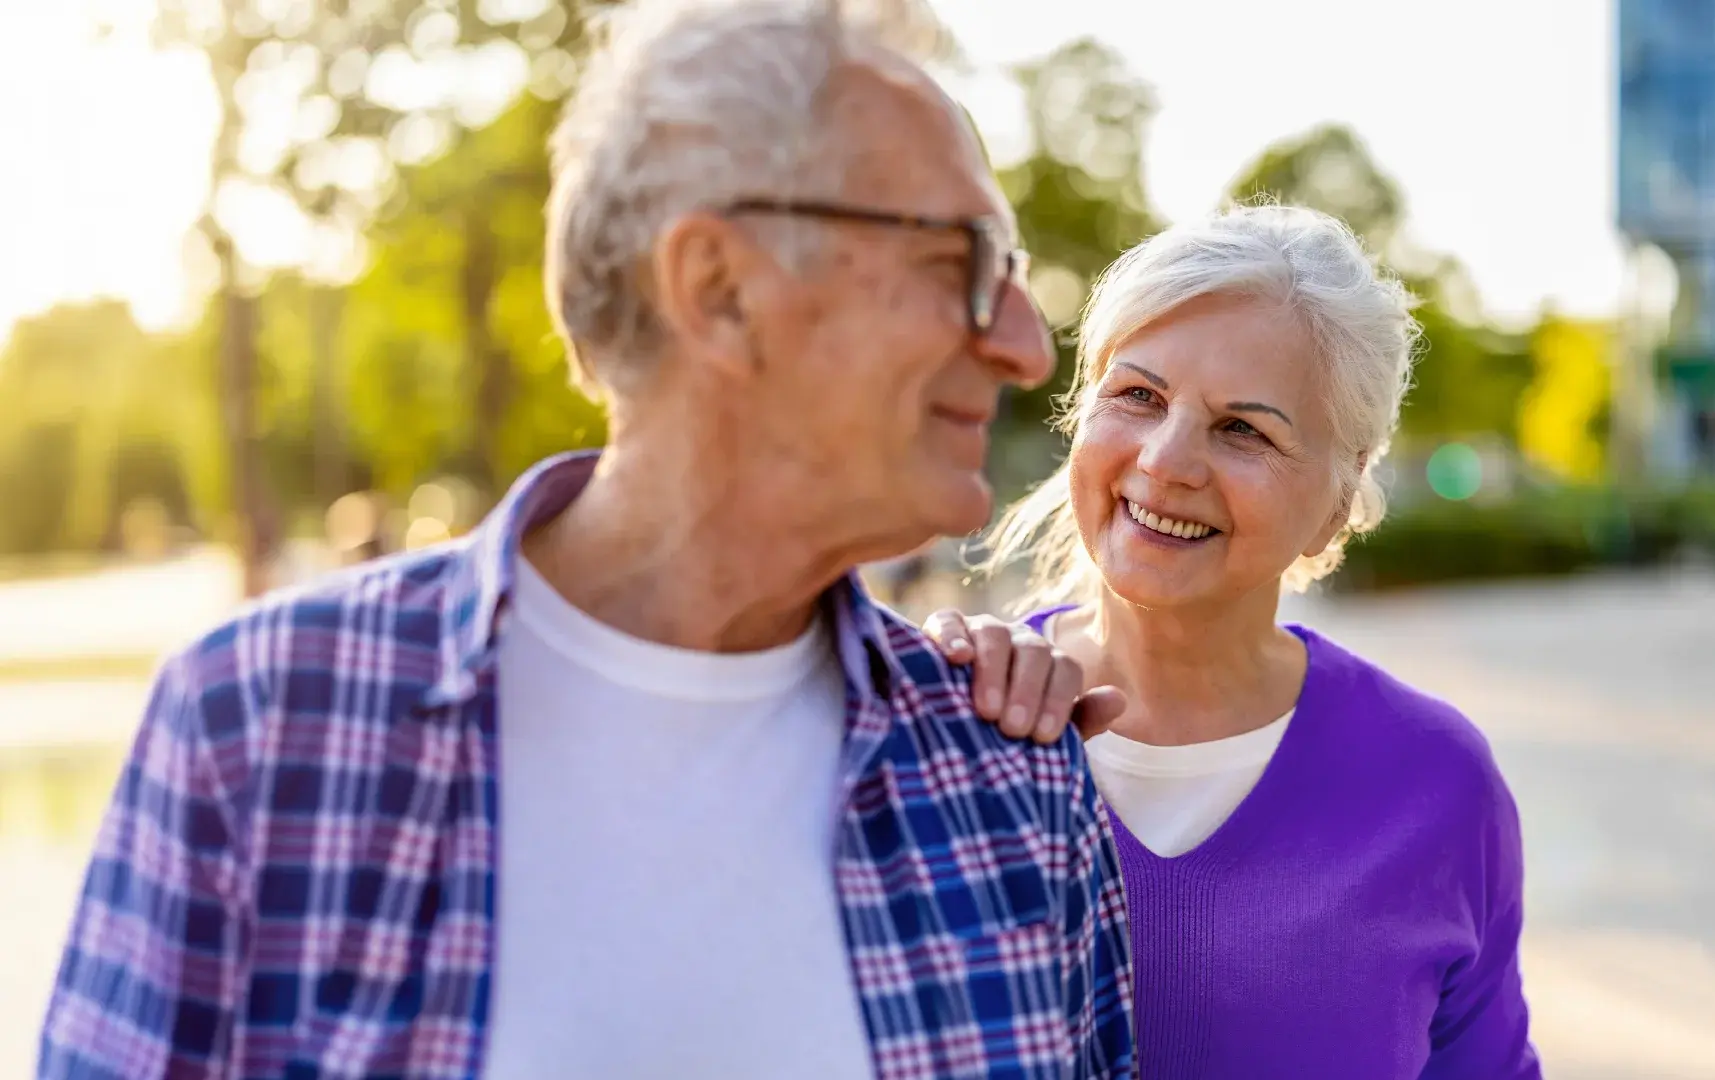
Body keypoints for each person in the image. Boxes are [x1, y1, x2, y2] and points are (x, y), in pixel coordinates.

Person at [37, 3, 1134, 1077]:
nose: (1029, 348)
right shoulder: (262, 727)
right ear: (720, 290)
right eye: (964, 261)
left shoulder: (1015, 781)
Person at [926, 204, 1543, 1078]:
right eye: (1137, 395)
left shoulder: (1436, 784)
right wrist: (911, 695)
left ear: (1337, 501)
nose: (1167, 461)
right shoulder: (950, 731)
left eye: (1243, 429)